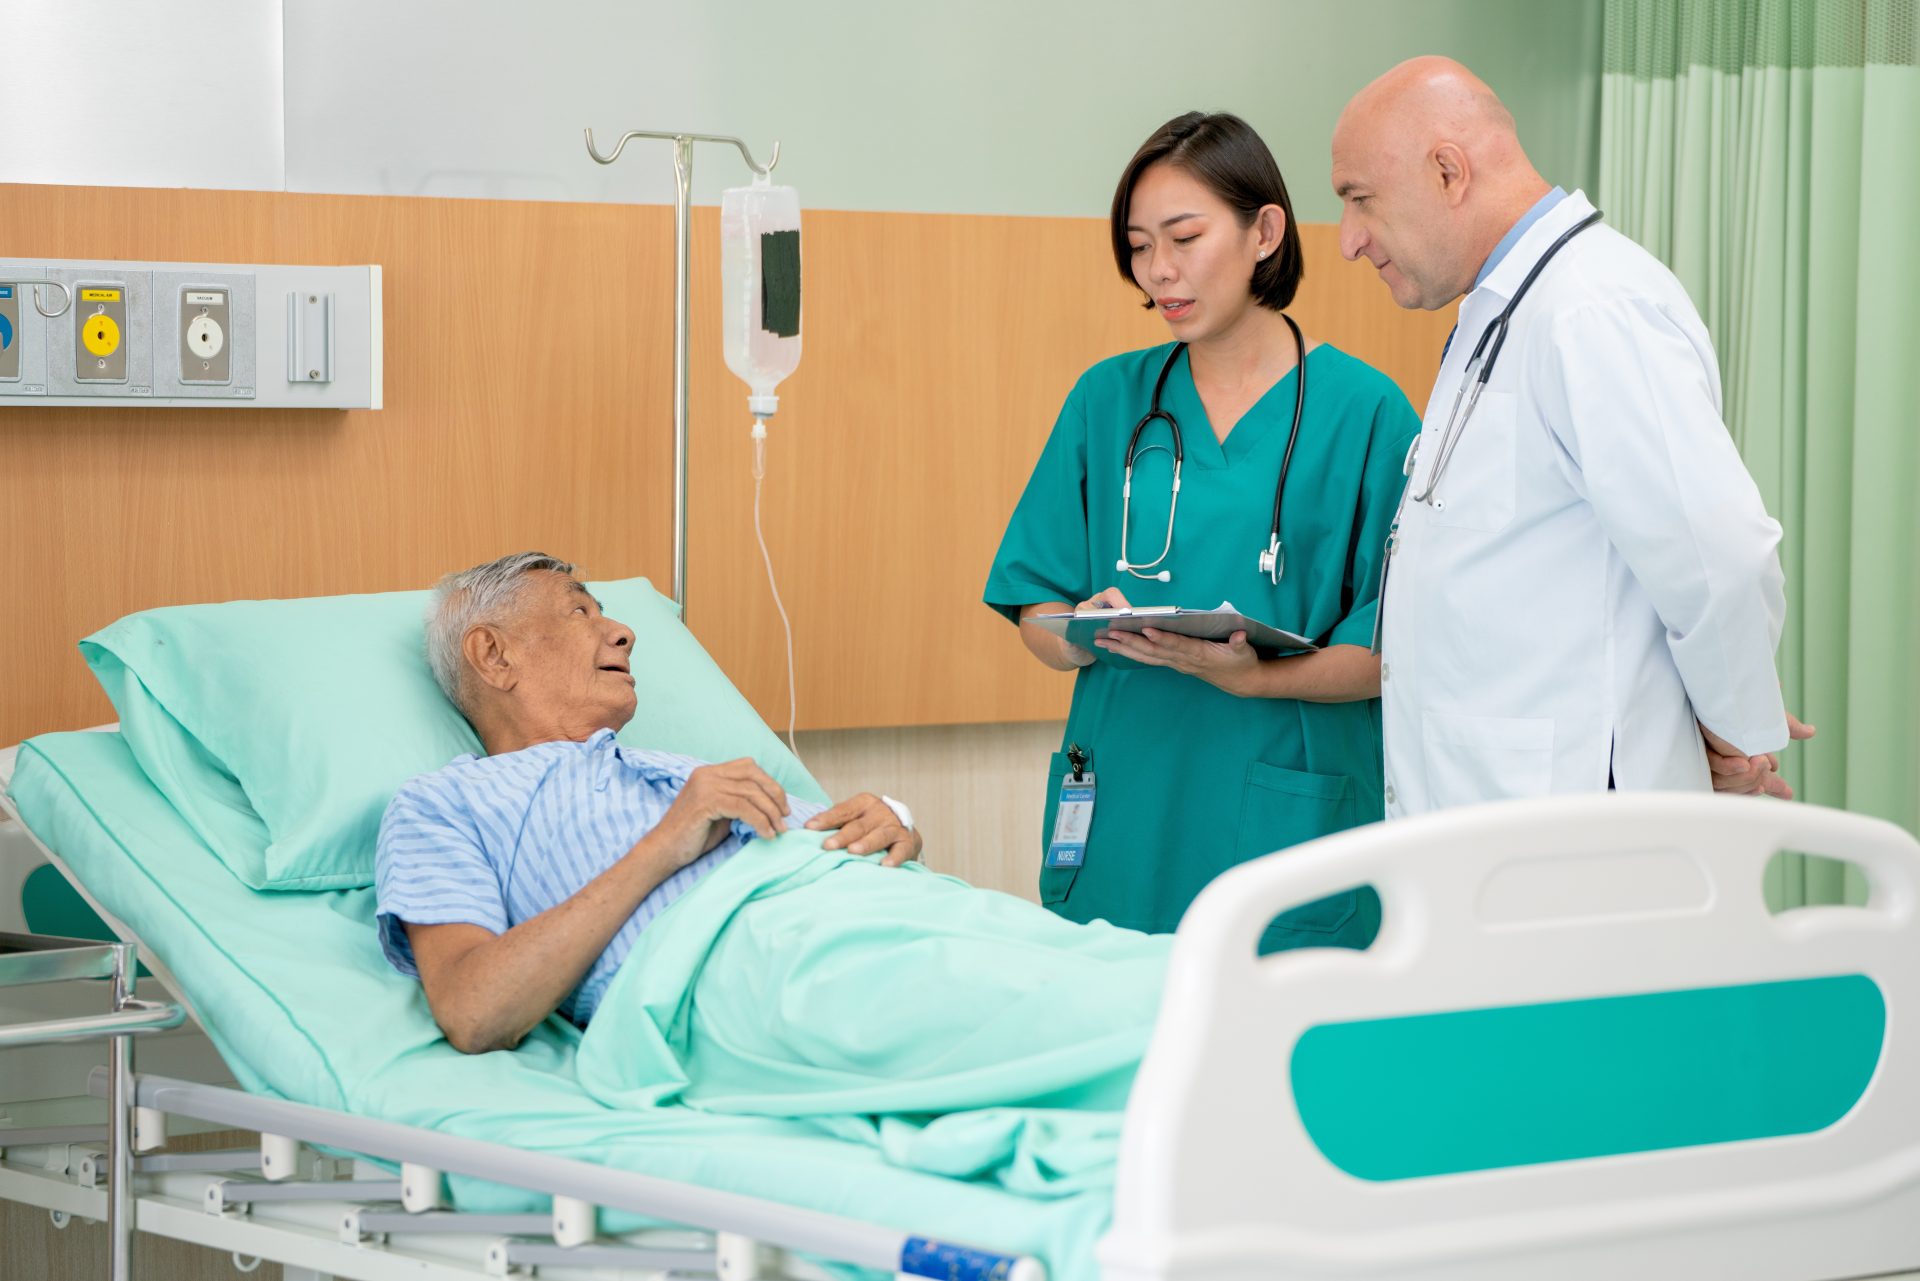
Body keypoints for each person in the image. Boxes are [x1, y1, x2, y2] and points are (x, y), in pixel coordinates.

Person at [1331, 57, 1813, 816]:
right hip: (1490, 822)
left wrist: (1736, 735)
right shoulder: (1500, 314)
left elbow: (1716, 553)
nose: (1348, 240)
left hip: (1567, 832)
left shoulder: (1591, 307)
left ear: (1449, 171)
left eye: (1359, 199)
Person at [985, 112, 1421, 947]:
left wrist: (1256, 680)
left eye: (1183, 237)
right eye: (1141, 246)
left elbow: (1389, 652)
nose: (1160, 271)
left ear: (1265, 231)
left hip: (1283, 808)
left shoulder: (1366, 414)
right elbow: (1033, 605)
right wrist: (1083, 633)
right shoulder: (1107, 401)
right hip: (1124, 791)